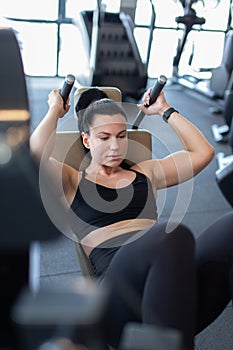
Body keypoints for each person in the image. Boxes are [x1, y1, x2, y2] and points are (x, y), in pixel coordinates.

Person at [30, 86, 233, 350]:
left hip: (167, 285)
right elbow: (34, 155)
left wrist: (164, 110)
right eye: (104, 137)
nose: (115, 146)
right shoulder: (71, 181)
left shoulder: (146, 173)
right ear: (87, 140)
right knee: (170, 237)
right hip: (117, 300)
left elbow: (203, 153)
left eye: (121, 135)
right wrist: (54, 110)